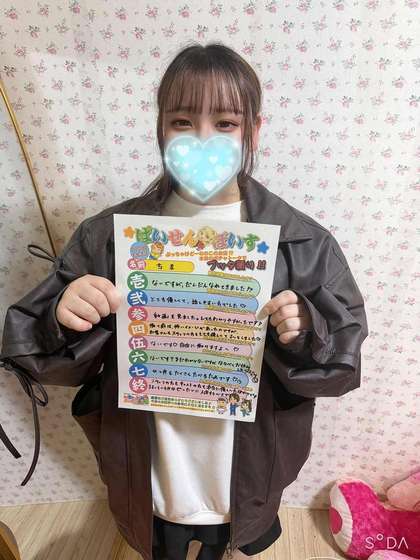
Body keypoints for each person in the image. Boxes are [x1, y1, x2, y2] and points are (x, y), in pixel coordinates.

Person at [0, 42, 369, 560]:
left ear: (253, 131)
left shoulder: (304, 242)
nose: (202, 139)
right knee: (162, 546)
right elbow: (37, 354)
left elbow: (342, 365)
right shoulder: (107, 237)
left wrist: (307, 328)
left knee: (225, 543)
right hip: (150, 465)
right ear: (160, 128)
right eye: (181, 121)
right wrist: (64, 315)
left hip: (245, 467)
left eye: (225, 123)